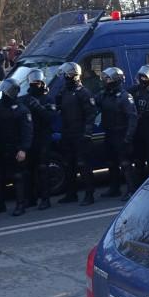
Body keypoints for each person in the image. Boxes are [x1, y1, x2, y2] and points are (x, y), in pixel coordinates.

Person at [0, 77, 33, 216]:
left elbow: (27, 131)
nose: (4, 94)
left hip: (15, 147)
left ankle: (20, 205)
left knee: (18, 176)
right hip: (0, 147)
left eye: (6, 92)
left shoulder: (22, 110)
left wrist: (23, 149)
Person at [56, 62, 97, 206]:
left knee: (83, 165)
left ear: (72, 74)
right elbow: (59, 107)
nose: (64, 78)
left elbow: (91, 114)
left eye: (66, 75)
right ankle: (71, 194)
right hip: (68, 133)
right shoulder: (65, 91)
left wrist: (87, 133)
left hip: (80, 133)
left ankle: (89, 194)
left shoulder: (83, 92)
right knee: (69, 165)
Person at [97, 67, 138, 200]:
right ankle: (114, 188)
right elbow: (92, 104)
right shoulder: (104, 95)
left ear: (116, 79)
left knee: (125, 163)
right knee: (111, 162)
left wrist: (128, 137)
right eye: (105, 78)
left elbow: (132, 117)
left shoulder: (125, 97)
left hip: (121, 133)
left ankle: (131, 189)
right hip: (109, 133)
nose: (105, 81)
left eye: (108, 78)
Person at [20, 69, 56, 210]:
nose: (36, 85)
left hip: (43, 137)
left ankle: (45, 199)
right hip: (29, 138)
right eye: (33, 83)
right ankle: (31, 198)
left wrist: (39, 108)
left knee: (43, 169)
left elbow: (51, 117)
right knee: (28, 170)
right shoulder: (25, 98)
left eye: (38, 83)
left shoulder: (48, 99)